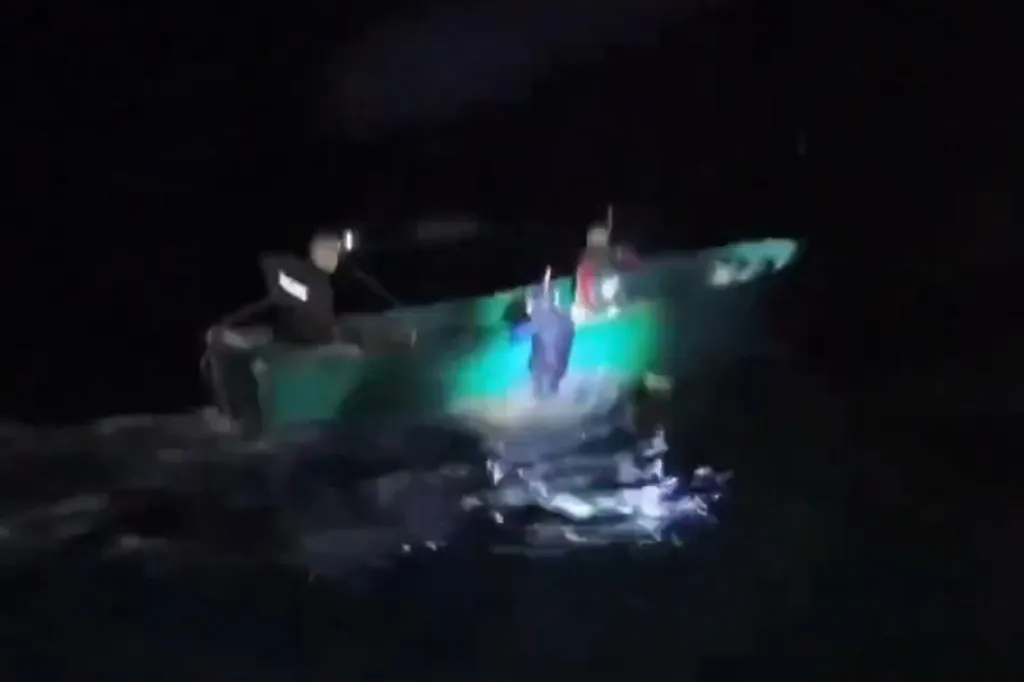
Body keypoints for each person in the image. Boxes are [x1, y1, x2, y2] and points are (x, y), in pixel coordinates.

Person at [259, 232, 345, 345]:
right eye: (332, 252)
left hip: (319, 344)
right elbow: (268, 262)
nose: (336, 259)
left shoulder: (323, 280)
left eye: (337, 254)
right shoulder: (303, 274)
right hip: (301, 347)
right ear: (318, 253)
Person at [574, 222, 641, 315]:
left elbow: (636, 265)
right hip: (594, 314)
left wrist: (625, 252)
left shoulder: (611, 259)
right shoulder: (587, 265)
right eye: (599, 238)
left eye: (604, 237)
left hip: (612, 309)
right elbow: (586, 300)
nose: (604, 241)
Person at [523, 284, 576, 400]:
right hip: (549, 360)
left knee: (548, 379)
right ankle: (547, 387)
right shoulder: (561, 321)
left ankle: (548, 387)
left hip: (552, 359)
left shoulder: (561, 321)